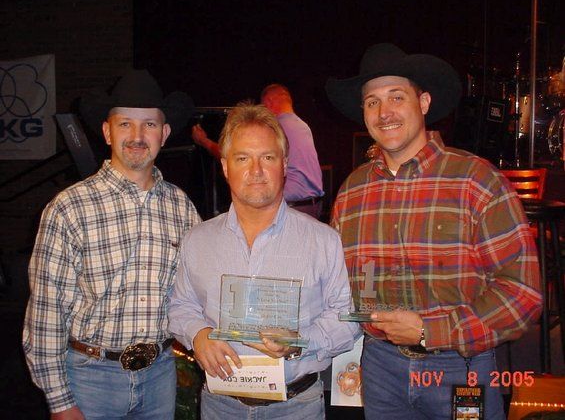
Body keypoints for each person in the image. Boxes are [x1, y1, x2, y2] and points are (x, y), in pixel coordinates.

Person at [326, 43, 542, 419]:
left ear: (423, 102)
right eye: (372, 102)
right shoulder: (352, 192)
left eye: (397, 96)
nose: (384, 112)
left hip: (459, 366)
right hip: (379, 369)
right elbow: (339, 287)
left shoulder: (476, 181)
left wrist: (431, 331)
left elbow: (523, 293)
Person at [23, 70, 201, 419]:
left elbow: (194, 293)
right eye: (125, 124)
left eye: (149, 124)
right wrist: (59, 401)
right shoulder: (69, 208)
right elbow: (46, 312)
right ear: (107, 132)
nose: (137, 136)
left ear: (164, 134)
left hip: (160, 377)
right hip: (90, 381)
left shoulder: (182, 208)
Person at [168, 102, 358, 419]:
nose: (256, 170)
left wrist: (299, 342)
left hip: (296, 408)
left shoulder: (323, 240)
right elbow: (180, 306)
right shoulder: (197, 240)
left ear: (284, 165)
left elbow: (347, 320)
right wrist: (198, 334)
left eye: (267, 157)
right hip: (220, 406)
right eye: (243, 158)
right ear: (225, 166)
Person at [191, 84, 324, 218]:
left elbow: (230, 155)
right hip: (313, 205)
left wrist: (204, 141)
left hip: (291, 209)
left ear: (268, 102)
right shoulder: (303, 126)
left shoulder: (275, 129)